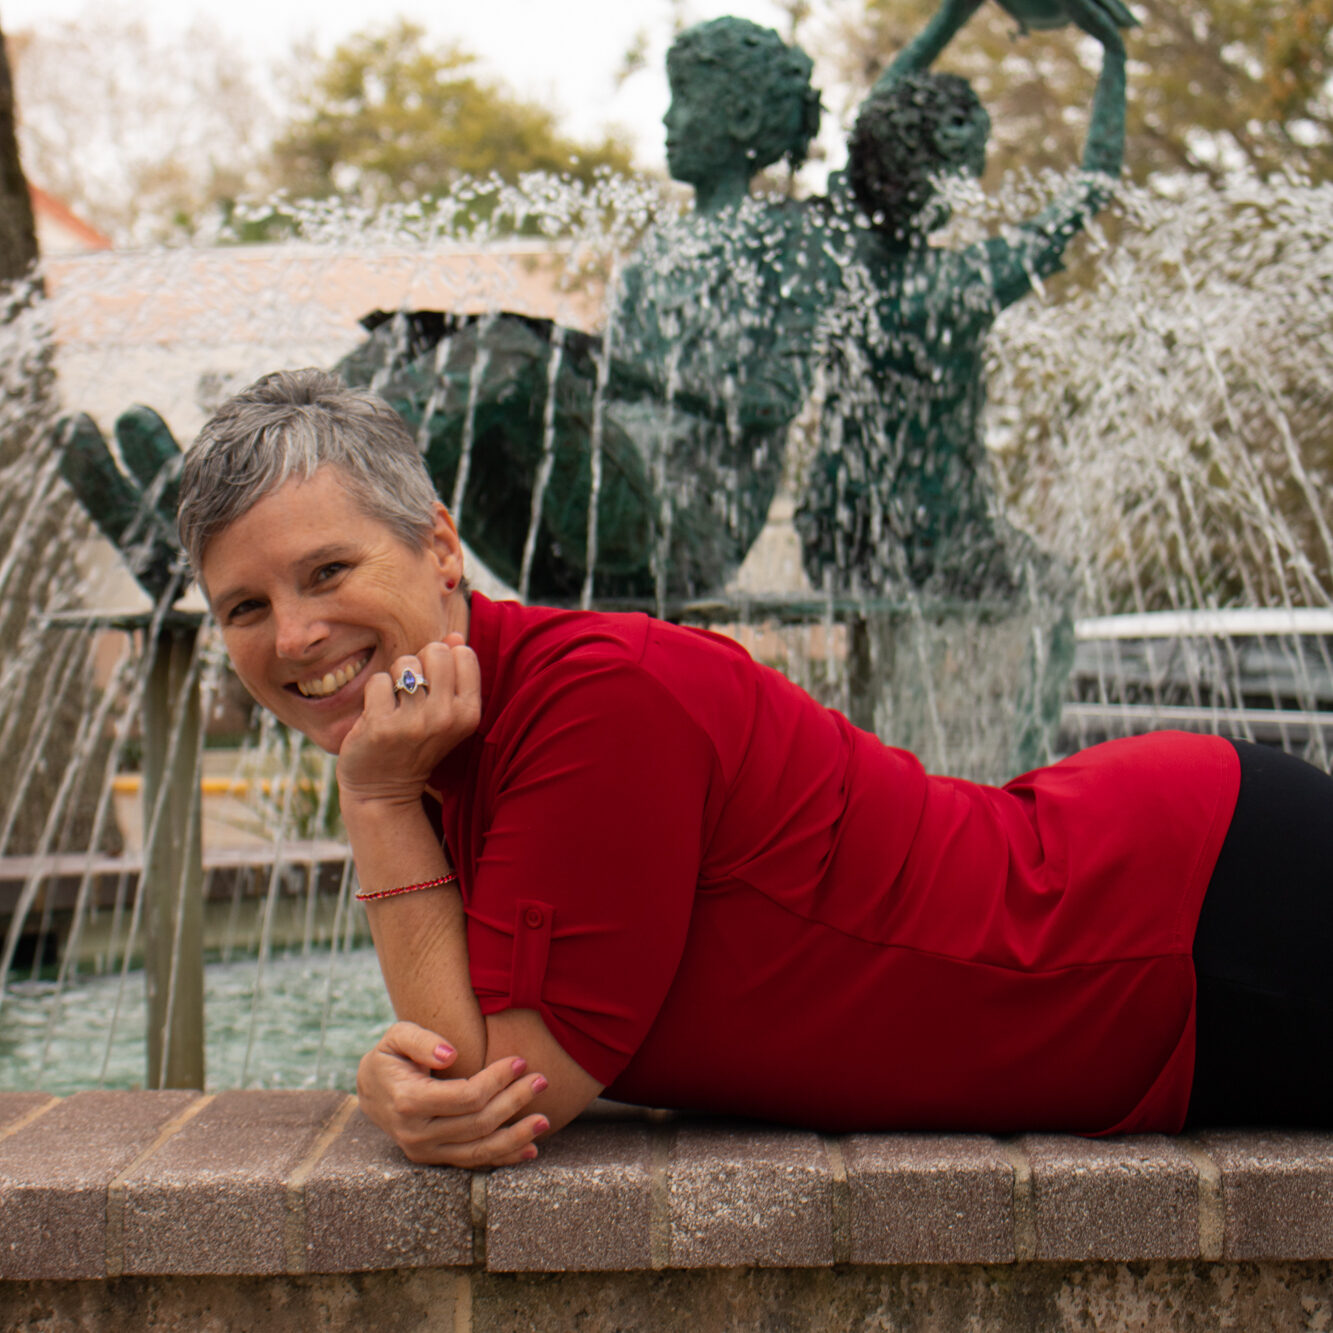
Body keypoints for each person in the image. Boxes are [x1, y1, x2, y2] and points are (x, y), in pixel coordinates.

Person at [178, 369, 1333, 1168]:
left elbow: (500, 1101)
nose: (290, 638)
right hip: (1144, 962)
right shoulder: (442, 738)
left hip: (1176, 923)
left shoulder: (591, 699)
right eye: (245, 605)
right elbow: (456, 1061)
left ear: (438, 546)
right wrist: (396, 1078)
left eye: (328, 570)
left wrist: (373, 802)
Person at [336, 16, 826, 603]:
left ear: (741, 119)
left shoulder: (791, 241)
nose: (668, 120)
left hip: (680, 535)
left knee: (507, 353)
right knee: (410, 341)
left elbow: (776, 400)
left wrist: (620, 371)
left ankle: (316, 501)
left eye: (684, 101)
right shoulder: (661, 249)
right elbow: (608, 391)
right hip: (588, 521)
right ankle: (261, 475)